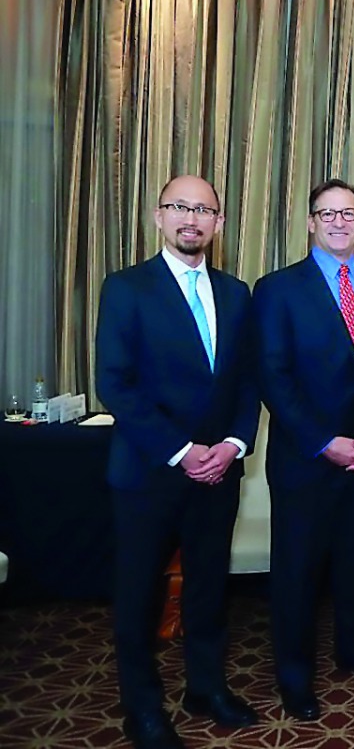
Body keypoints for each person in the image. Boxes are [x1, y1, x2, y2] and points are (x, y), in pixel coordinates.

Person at [95, 175, 260, 749]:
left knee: (209, 588)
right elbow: (115, 384)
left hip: (219, 472)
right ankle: (141, 707)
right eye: (180, 207)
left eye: (204, 210)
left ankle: (206, 688)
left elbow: (247, 381)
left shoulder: (237, 293)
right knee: (139, 594)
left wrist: (234, 444)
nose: (192, 219)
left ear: (219, 222)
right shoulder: (126, 288)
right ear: (159, 216)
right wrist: (182, 451)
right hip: (148, 473)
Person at [253, 178, 354, 721]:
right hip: (306, 459)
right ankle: (295, 676)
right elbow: (273, 377)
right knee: (297, 572)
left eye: (349, 213)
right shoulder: (276, 289)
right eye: (328, 213)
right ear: (311, 222)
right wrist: (325, 442)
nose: (339, 222)